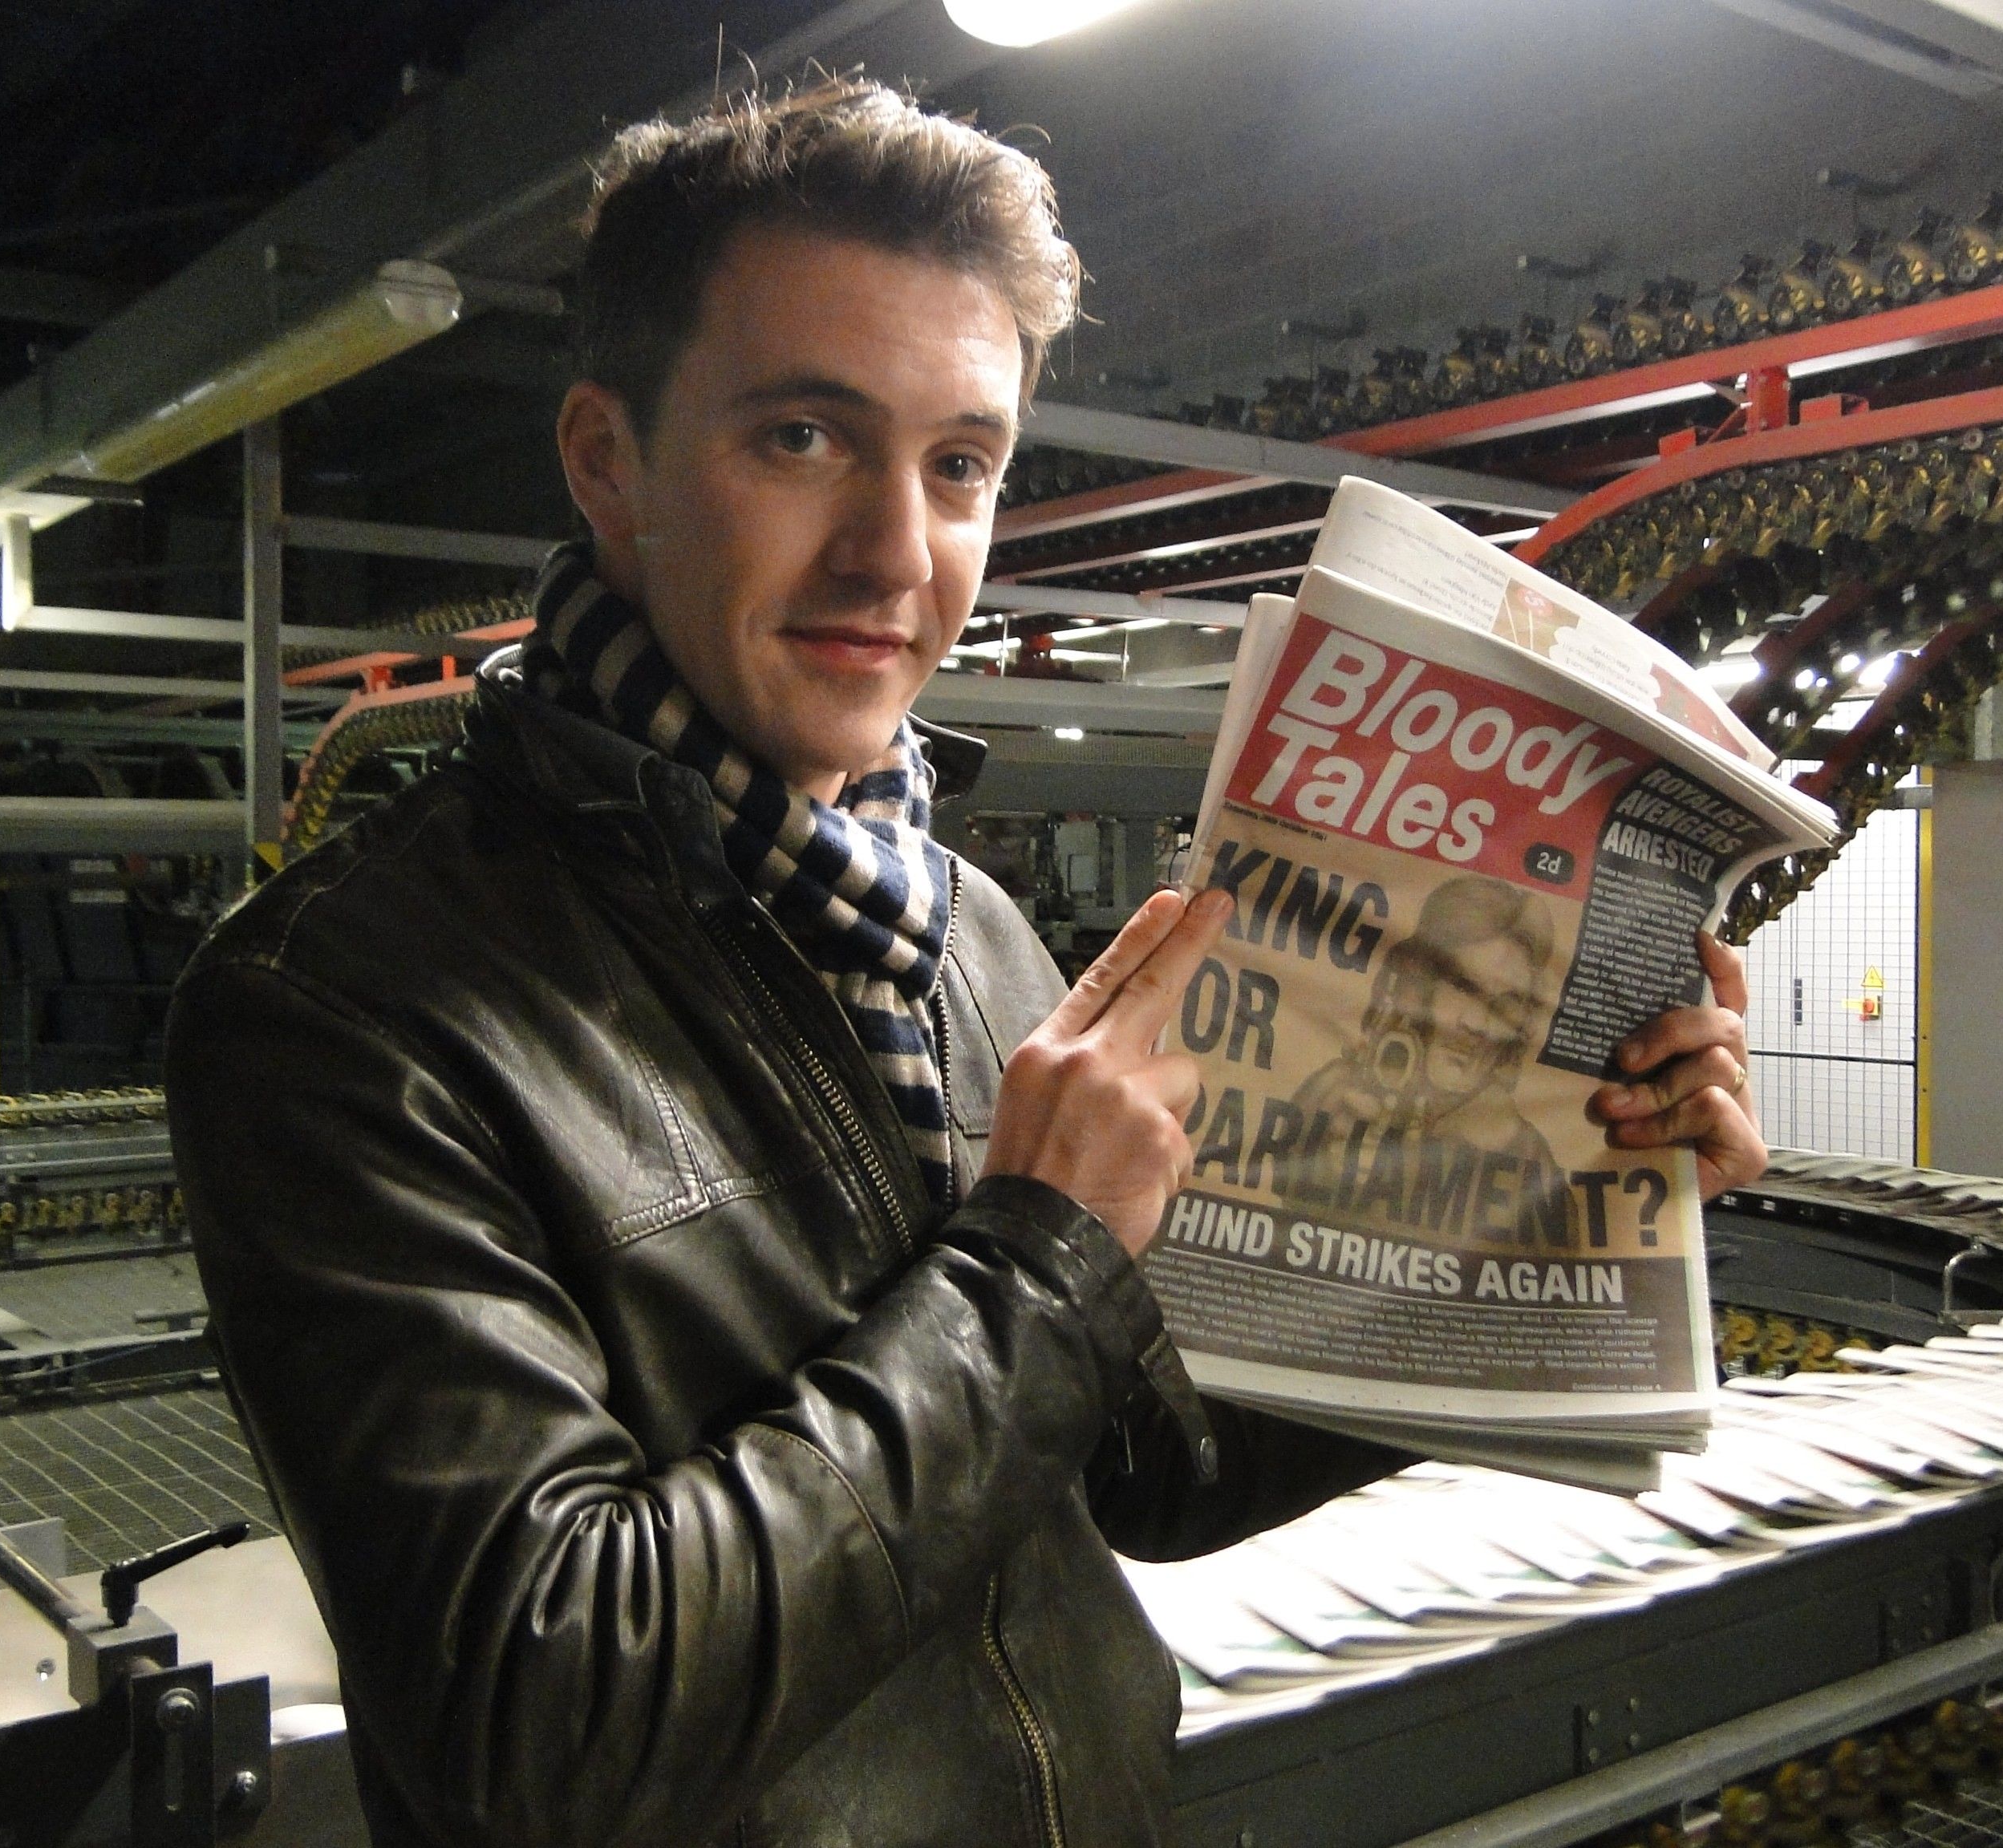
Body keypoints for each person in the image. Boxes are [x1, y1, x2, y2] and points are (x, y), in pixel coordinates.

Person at [166, 76, 1764, 1848]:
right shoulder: (345, 1004)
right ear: (608, 461)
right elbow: (546, 1717)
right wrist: (1038, 1255)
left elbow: (1150, 1462)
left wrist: (1565, 1191)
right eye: (803, 438)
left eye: (958, 466)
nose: (895, 554)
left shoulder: (965, 925)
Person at [1281, 875, 1571, 1245]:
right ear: (1418, 985)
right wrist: (1318, 1178)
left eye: (1505, 1006)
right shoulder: (1333, 1094)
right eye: (1464, 988)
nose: (1476, 1024)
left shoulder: (1530, 1157)